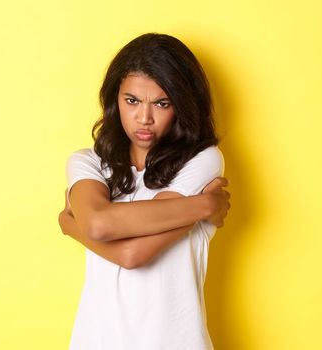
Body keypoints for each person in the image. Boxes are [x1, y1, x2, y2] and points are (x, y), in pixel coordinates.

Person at [57, 33, 230, 350]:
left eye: (162, 103)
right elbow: (99, 225)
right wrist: (205, 206)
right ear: (115, 100)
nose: (144, 118)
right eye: (132, 100)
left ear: (182, 105)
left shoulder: (202, 162)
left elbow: (132, 254)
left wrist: (70, 224)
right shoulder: (87, 163)